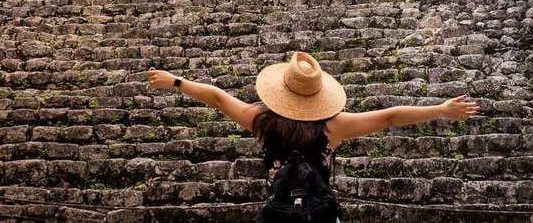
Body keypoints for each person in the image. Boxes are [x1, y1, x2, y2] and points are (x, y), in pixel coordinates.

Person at [146, 51, 480, 222]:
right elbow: (391, 116)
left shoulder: (260, 121)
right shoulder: (333, 126)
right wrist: (441, 108)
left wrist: (175, 81)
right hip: (319, 213)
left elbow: (218, 97)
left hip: (279, 211)